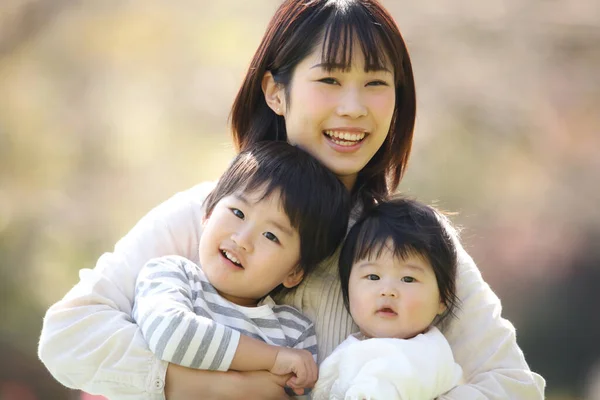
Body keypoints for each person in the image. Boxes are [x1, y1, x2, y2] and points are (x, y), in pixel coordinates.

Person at [38, 1, 546, 399]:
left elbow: (513, 385)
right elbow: (70, 335)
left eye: (375, 83)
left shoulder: (412, 242)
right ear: (276, 93)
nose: (353, 108)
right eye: (329, 79)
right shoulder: (209, 218)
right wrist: (210, 387)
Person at [132, 141, 351, 395]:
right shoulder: (171, 275)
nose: (242, 240)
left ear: (294, 273)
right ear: (208, 213)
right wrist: (273, 359)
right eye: (237, 212)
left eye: (271, 236)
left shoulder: (294, 332)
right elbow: (170, 335)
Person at [311, 197, 463, 399]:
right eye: (373, 277)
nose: (387, 290)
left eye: (408, 279)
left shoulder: (423, 356)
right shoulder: (359, 347)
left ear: (443, 298)